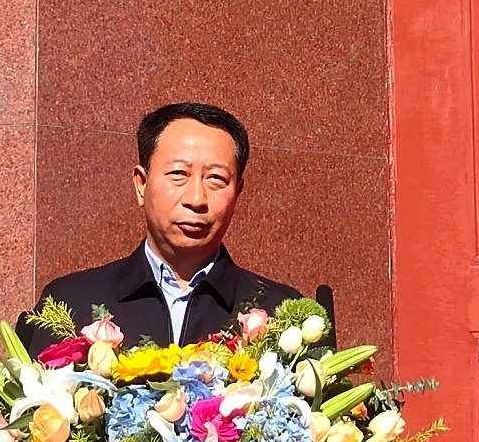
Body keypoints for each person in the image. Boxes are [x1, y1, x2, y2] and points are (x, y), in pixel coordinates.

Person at [18, 102, 302, 354]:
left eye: (216, 178)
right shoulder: (72, 302)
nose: (196, 199)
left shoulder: (282, 314)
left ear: (238, 191)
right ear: (141, 184)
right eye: (178, 174)